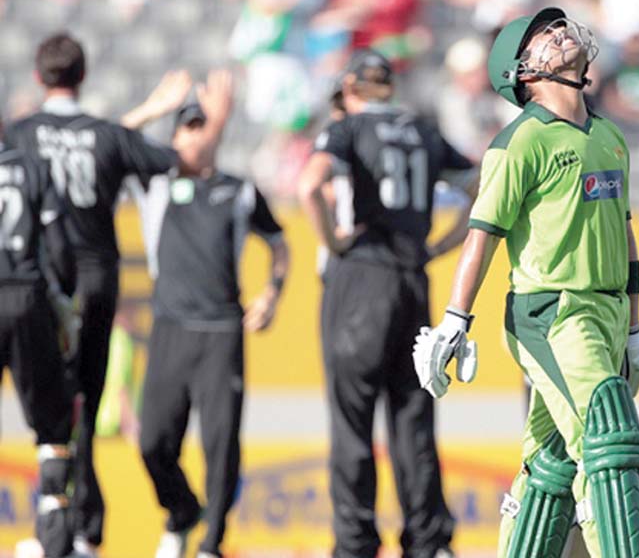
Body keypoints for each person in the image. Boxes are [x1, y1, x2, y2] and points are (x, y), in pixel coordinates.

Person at [412, 8, 639, 558]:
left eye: (558, 25)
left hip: (608, 314)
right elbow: (483, 233)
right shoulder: (518, 142)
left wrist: (635, 328)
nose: (559, 32)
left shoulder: (611, 137)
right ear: (522, 71)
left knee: (552, 465)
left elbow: (624, 232)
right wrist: (455, 320)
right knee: (609, 438)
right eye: (543, 34)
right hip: (553, 314)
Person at [4, 33, 229, 558]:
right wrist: (195, 117)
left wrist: (143, 112)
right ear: (83, 75)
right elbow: (170, 159)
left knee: (55, 409)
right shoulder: (103, 134)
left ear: (39, 76)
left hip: (38, 280)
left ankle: (70, 526)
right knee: (81, 397)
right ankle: (80, 528)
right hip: (95, 280)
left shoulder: (20, 133)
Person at [298, 49, 479, 558]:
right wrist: (443, 245)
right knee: (413, 419)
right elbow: (480, 183)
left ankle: (355, 544)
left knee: (352, 420)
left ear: (351, 92)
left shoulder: (348, 130)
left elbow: (308, 182)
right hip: (412, 280)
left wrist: (335, 244)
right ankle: (428, 542)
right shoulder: (421, 129)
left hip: (360, 275)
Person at [125, 81, 291, 558]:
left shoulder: (238, 189)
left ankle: (211, 543)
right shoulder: (156, 185)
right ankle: (181, 511)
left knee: (220, 445)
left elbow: (280, 244)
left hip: (221, 333)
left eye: (203, 126)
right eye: (187, 128)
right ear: (174, 137)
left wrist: (272, 293)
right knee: (153, 442)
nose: (195, 137)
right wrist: (155, 106)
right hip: (171, 329)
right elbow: (113, 140)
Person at [0, 129, 76, 558]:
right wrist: (65, 295)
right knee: (50, 423)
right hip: (26, 299)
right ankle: (54, 538)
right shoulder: (32, 167)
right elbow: (60, 246)